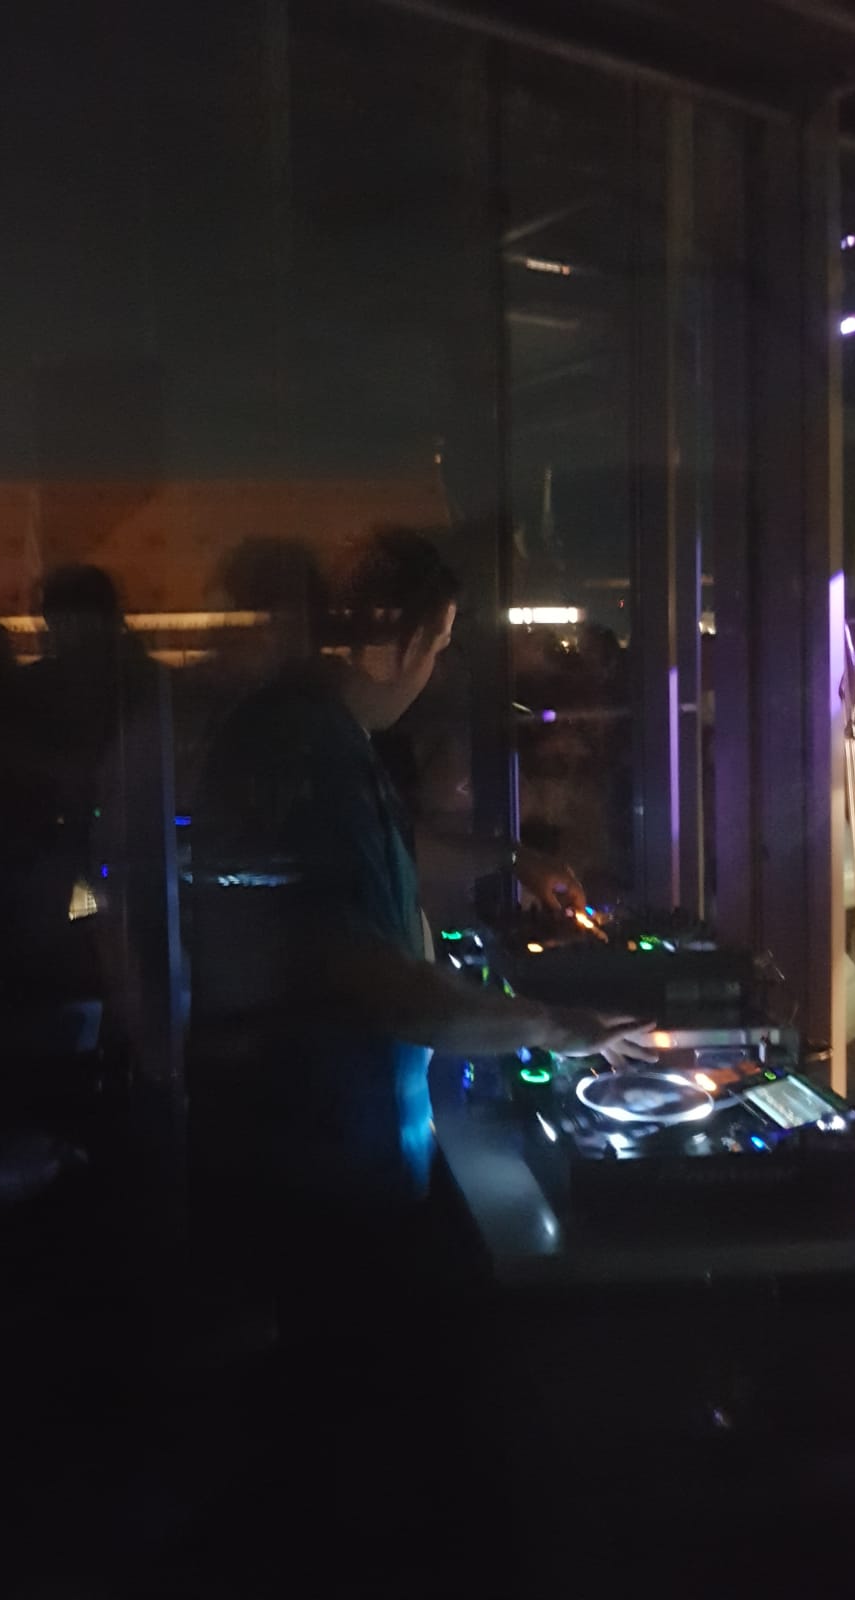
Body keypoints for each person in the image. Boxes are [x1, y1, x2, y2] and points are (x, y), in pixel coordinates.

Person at [189, 527, 653, 1341]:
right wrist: (556, 1027)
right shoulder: (308, 754)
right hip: (324, 1172)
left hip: (319, 1151)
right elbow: (385, 987)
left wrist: (508, 856)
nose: (434, 669)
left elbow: (382, 847)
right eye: (437, 648)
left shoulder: (312, 734)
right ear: (399, 643)